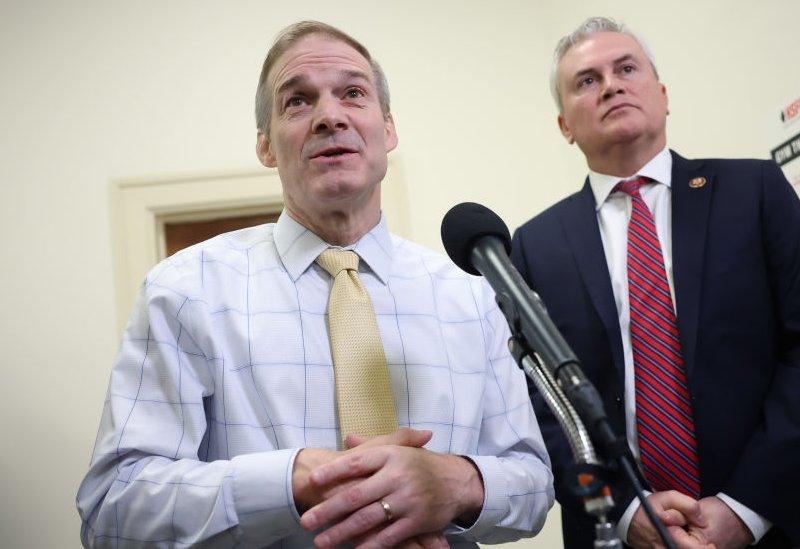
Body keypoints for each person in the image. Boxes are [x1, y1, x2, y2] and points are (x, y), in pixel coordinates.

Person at [76, 21, 555, 548]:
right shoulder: (185, 290)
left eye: (353, 93)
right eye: (298, 102)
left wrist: (458, 484)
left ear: (388, 129)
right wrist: (294, 481)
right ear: (265, 144)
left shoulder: (472, 294)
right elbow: (113, 507)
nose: (330, 116)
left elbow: (533, 484)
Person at [510, 17, 800, 549]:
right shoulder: (533, 245)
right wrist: (629, 514)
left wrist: (745, 509)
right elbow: (540, 405)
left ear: (663, 95)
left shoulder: (754, 191)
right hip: (619, 534)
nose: (611, 85)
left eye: (626, 68)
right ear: (564, 125)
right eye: (586, 80)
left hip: (780, 521)